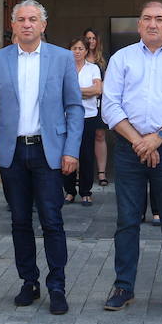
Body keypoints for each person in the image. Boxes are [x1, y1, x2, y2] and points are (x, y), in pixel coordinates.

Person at [0, 1, 83, 315]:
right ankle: (29, 281)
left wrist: (71, 149)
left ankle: (57, 285)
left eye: (33, 19)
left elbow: (74, 108)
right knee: (20, 220)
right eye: (21, 19)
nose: (26, 24)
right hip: (12, 152)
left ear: (43, 25)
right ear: (13, 25)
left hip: (48, 151)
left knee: (52, 220)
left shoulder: (62, 58)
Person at [100, 0, 162, 313]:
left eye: (159, 19)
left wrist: (157, 139)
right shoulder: (122, 59)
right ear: (139, 25)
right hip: (130, 151)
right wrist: (140, 143)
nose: (153, 24)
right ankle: (123, 287)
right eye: (147, 19)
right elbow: (111, 106)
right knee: (127, 222)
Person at [64, 37, 102, 205]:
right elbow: (60, 90)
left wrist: (73, 92)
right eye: (74, 48)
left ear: (86, 51)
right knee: (68, 153)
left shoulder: (93, 68)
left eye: (80, 48)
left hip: (89, 116)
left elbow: (98, 89)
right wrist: (86, 92)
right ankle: (69, 191)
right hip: (68, 117)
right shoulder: (64, 68)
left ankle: (86, 191)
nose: (77, 51)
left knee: (86, 154)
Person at [83, 27, 109, 187]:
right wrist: (89, 91)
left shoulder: (103, 61)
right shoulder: (77, 58)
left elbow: (104, 85)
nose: (91, 41)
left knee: (100, 135)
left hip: (100, 103)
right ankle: (79, 173)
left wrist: (95, 91)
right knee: (80, 138)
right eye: (88, 38)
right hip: (82, 104)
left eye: (93, 38)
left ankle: (101, 173)